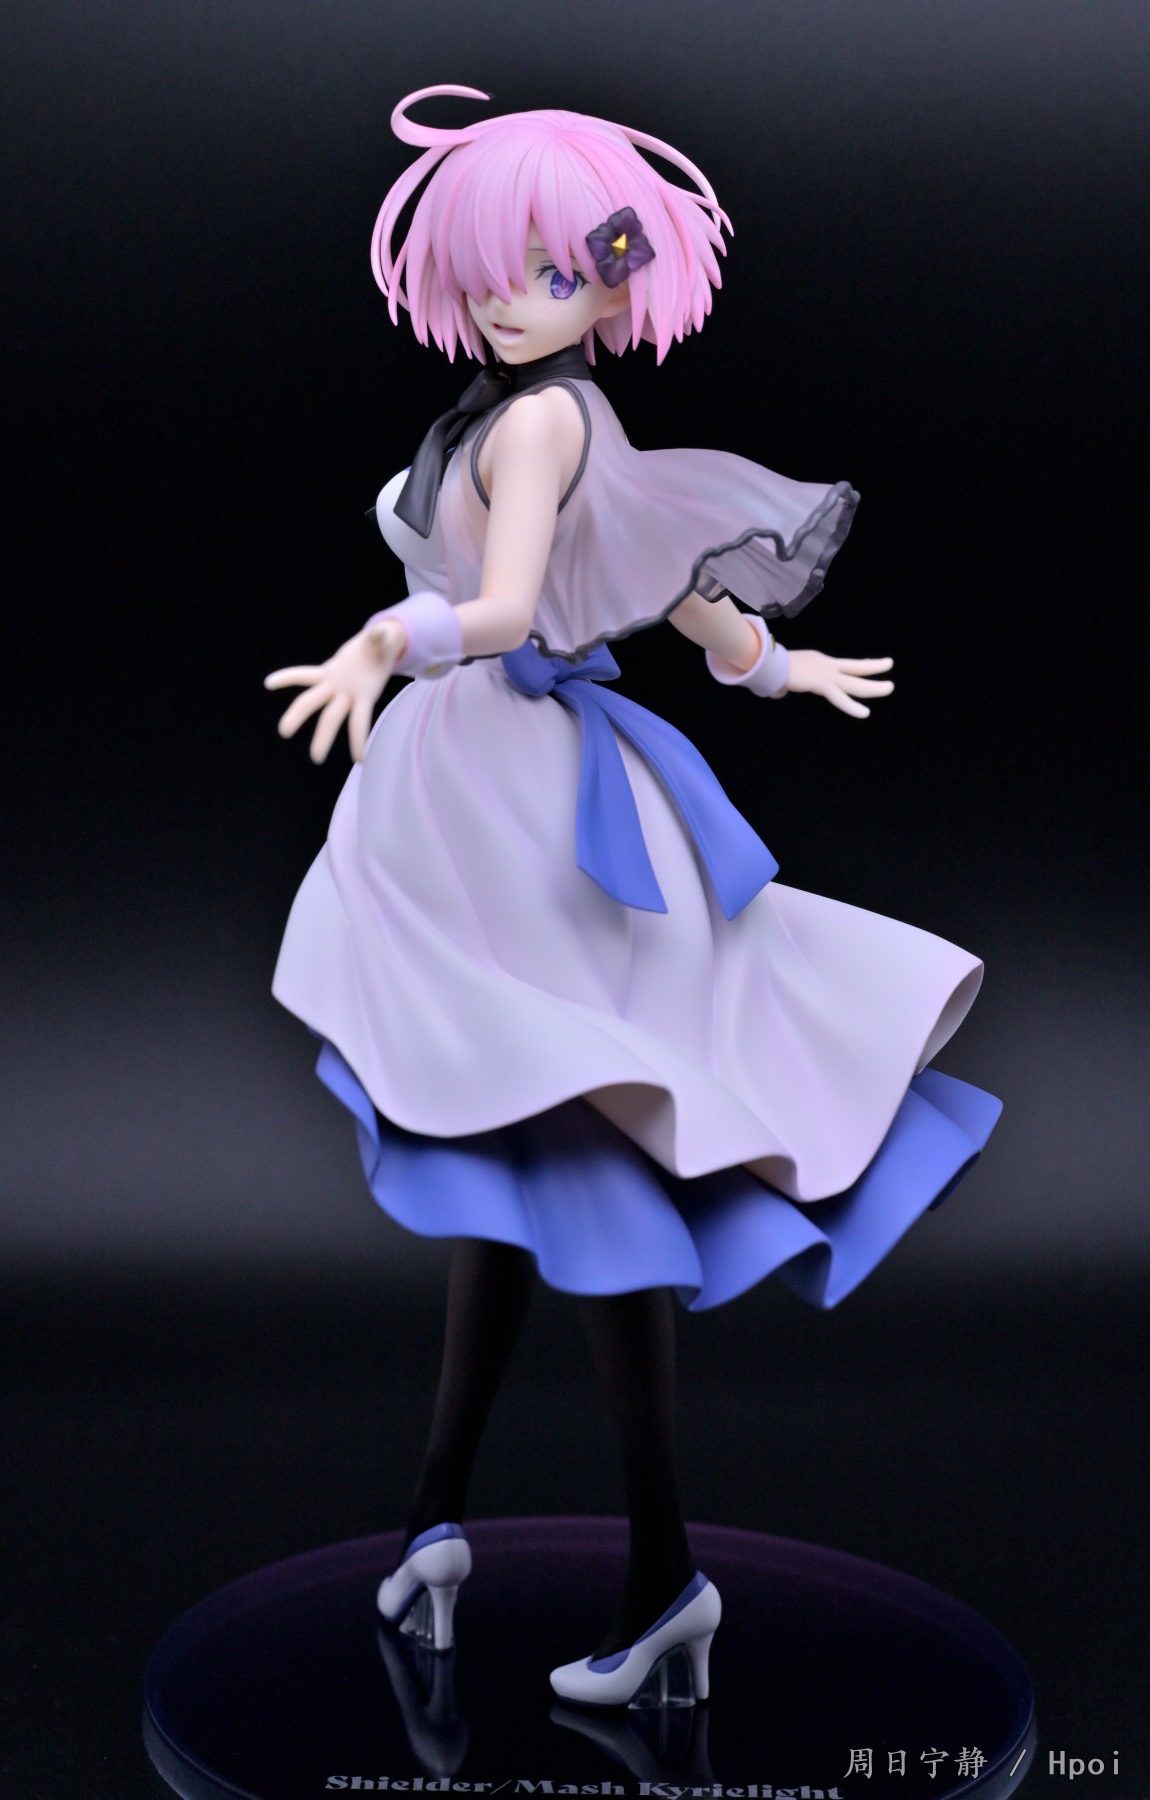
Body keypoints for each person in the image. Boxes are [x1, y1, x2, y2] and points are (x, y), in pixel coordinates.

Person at [266, 85, 1000, 1708]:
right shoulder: (522, 412)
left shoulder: (541, 422)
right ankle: (436, 1524)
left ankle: (664, 1575)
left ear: (611, 283)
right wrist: (775, 664)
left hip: (523, 810)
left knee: (584, 1152)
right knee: (516, 1153)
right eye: (492, 264)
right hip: (485, 799)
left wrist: (385, 640)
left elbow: (514, 605)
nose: (512, 293)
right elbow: (673, 578)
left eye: (554, 267)